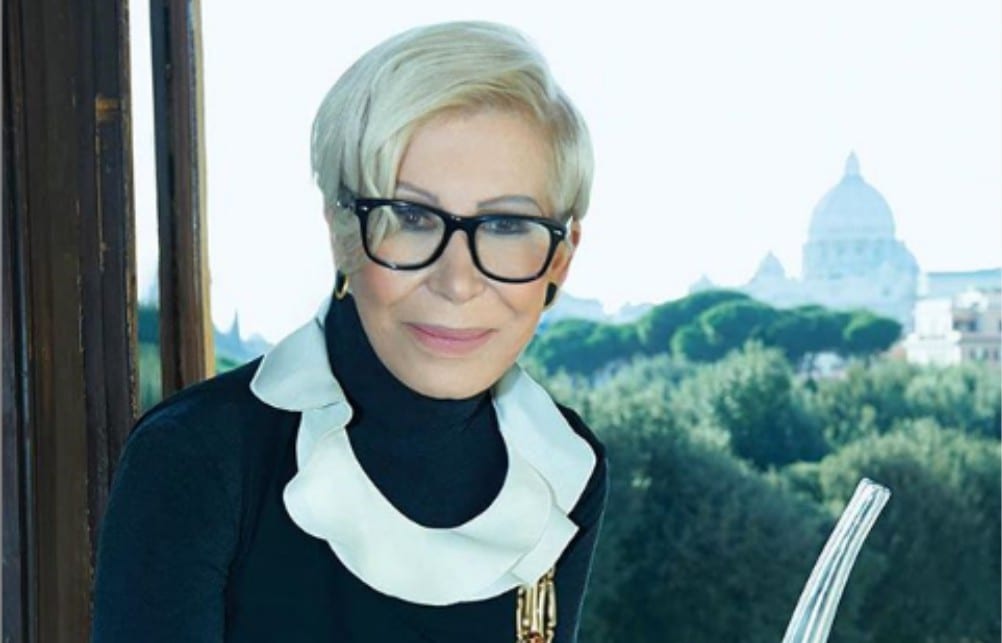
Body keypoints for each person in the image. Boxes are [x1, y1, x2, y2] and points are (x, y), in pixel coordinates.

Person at [91, 20, 608, 643]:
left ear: (561, 257)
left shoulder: (565, 470)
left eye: (505, 225)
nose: (458, 282)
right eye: (411, 216)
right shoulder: (198, 456)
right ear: (341, 232)